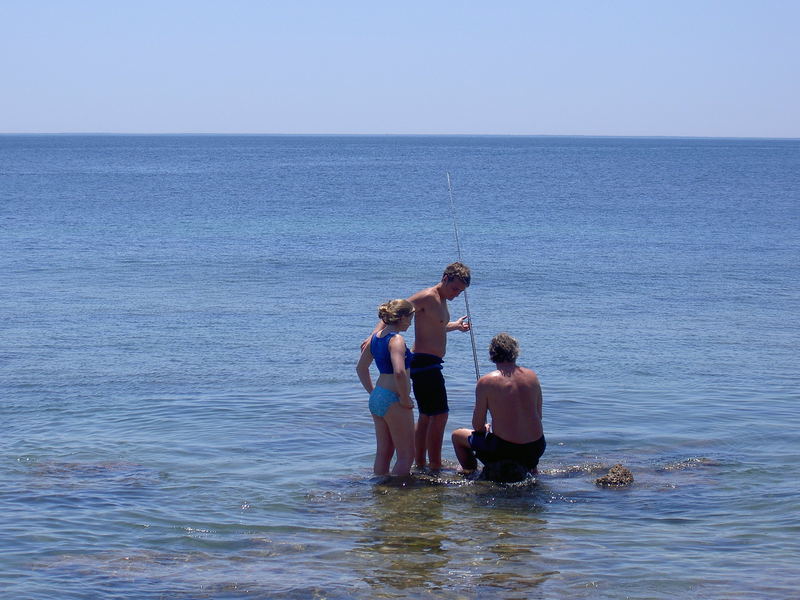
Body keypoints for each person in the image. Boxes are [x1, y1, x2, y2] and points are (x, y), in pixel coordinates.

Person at [362, 262, 472, 471]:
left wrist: (455, 326)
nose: (457, 294)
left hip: (432, 364)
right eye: (455, 288)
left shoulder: (441, 300)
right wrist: (372, 336)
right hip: (424, 363)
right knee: (438, 415)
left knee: (430, 415)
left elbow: (436, 326)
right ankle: (432, 463)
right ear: (445, 278)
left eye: (461, 291)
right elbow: (394, 313)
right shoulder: (428, 296)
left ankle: (423, 462)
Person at [451, 332, 545, 479]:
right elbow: (538, 416)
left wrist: (486, 428)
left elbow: (477, 426)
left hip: (505, 451)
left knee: (457, 435)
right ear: (515, 353)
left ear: (492, 354)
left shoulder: (486, 382)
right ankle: (531, 468)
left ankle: (470, 471)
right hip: (536, 447)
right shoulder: (532, 376)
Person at [357, 299, 416, 477]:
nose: (411, 322)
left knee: (384, 451)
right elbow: (399, 372)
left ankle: (380, 490)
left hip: (378, 397)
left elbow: (361, 368)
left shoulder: (375, 338)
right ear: (402, 317)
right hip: (394, 398)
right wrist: (405, 398)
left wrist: (373, 392)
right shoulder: (396, 339)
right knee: (406, 455)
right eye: (410, 318)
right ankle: (398, 496)